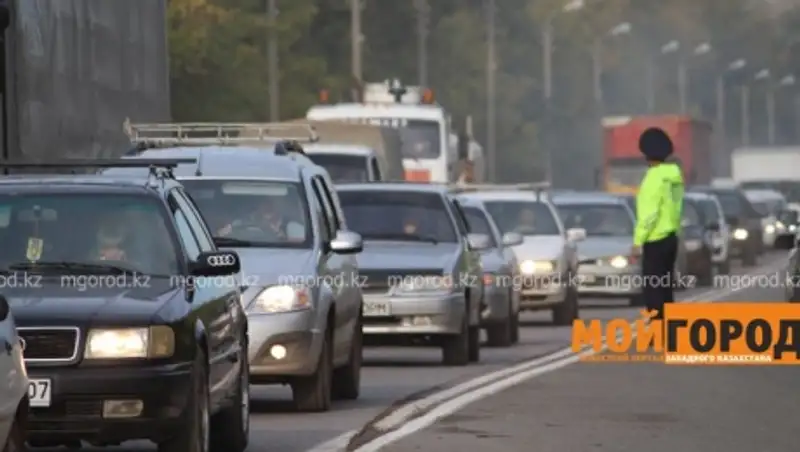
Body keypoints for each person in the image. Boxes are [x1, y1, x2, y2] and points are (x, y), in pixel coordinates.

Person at [632, 127, 684, 319]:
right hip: (671, 237)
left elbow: (649, 214)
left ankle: (657, 330)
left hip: (654, 239)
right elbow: (677, 207)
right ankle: (670, 331)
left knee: (652, 290)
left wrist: (638, 241)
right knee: (666, 288)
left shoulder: (653, 179)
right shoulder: (674, 176)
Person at [217, 196, 304, 242]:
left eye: (272, 202)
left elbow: (305, 249)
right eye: (264, 202)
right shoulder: (239, 224)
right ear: (258, 205)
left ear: (280, 204)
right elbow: (219, 238)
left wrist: (283, 239)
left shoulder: (292, 227)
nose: (268, 206)